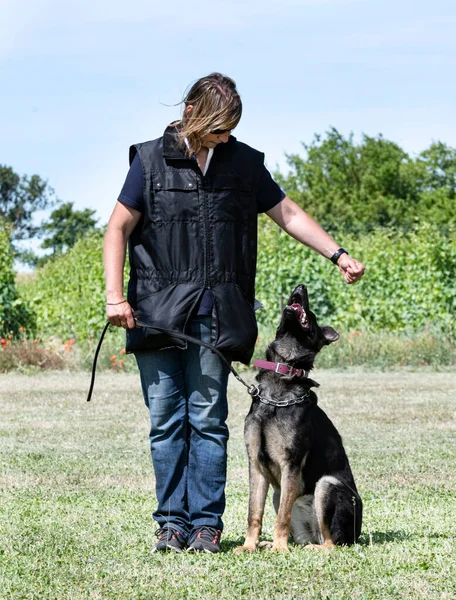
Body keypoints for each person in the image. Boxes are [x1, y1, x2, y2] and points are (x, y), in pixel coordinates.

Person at [103, 72, 365, 554]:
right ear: (193, 116)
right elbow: (117, 228)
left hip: (216, 314)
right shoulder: (148, 161)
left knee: (207, 418)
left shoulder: (242, 164)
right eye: (219, 129)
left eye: (230, 129)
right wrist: (114, 296)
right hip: (155, 313)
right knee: (165, 421)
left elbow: (287, 213)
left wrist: (337, 253)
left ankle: (205, 525)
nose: (226, 138)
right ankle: (170, 524)